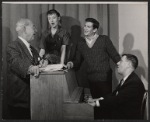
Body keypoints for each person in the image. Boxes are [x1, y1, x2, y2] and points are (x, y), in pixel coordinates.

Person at [67, 18, 121, 119]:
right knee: (96, 108)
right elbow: (77, 61)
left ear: (95, 29)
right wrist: (71, 63)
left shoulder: (104, 39)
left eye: (88, 26)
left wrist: (122, 65)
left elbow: (115, 55)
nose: (85, 28)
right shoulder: (81, 43)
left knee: (105, 106)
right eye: (85, 26)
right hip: (92, 80)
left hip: (105, 79)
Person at [6, 18, 47, 119]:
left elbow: (38, 60)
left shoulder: (32, 48)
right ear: (24, 29)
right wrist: (31, 68)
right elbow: (16, 62)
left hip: (34, 100)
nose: (36, 31)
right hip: (20, 102)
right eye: (33, 27)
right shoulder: (13, 46)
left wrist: (44, 61)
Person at [88, 54, 145, 120]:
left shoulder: (134, 83)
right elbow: (113, 95)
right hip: (121, 113)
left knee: (96, 113)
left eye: (121, 61)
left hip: (125, 118)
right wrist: (99, 99)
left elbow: (116, 99)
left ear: (128, 64)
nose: (118, 63)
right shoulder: (128, 80)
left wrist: (96, 103)